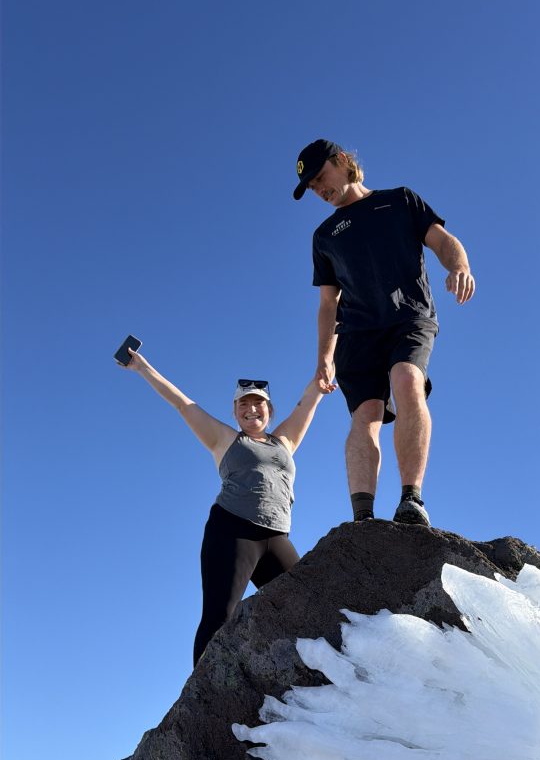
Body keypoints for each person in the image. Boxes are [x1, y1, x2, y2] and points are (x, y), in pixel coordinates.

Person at [293, 139, 475, 528]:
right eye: (312, 187)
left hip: (409, 317)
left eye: (321, 177)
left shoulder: (399, 201)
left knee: (407, 379)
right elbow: (328, 304)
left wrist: (459, 266)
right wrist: (323, 357)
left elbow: (443, 240)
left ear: (342, 161)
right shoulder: (324, 236)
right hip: (357, 333)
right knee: (366, 414)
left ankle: (412, 500)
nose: (319, 190)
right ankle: (363, 518)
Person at [120, 348, 325, 665]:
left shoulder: (284, 441)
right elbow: (183, 404)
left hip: (276, 536)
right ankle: (199, 703)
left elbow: (310, 398)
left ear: (269, 410)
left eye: (258, 403)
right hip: (232, 530)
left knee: (304, 601)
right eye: (243, 404)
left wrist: (330, 355)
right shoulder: (226, 440)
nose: (251, 409)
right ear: (234, 412)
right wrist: (142, 368)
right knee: (219, 615)